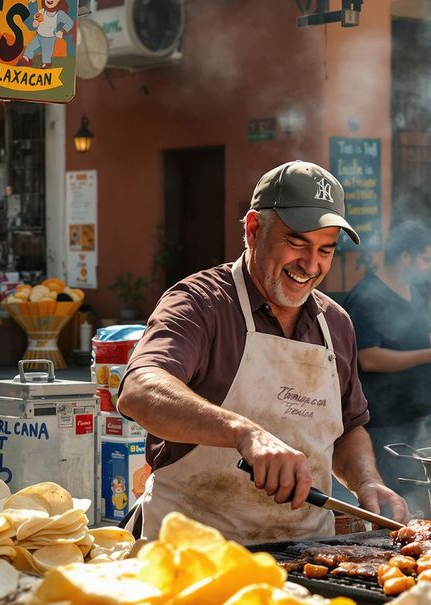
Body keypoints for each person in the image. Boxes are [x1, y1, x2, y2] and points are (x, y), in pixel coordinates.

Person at [117, 160, 409, 543]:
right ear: (254, 230)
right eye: (297, 243)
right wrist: (245, 433)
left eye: (325, 249)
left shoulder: (335, 323)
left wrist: (367, 481)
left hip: (307, 553)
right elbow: (140, 390)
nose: (311, 265)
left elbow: (348, 428)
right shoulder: (201, 303)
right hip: (192, 554)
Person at [344, 220, 431, 497]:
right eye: (426, 260)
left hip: (419, 415)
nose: (430, 267)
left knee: (425, 498)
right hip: (385, 422)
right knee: (394, 500)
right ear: (404, 257)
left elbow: (425, 334)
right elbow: (370, 358)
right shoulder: (367, 297)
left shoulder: (414, 291)